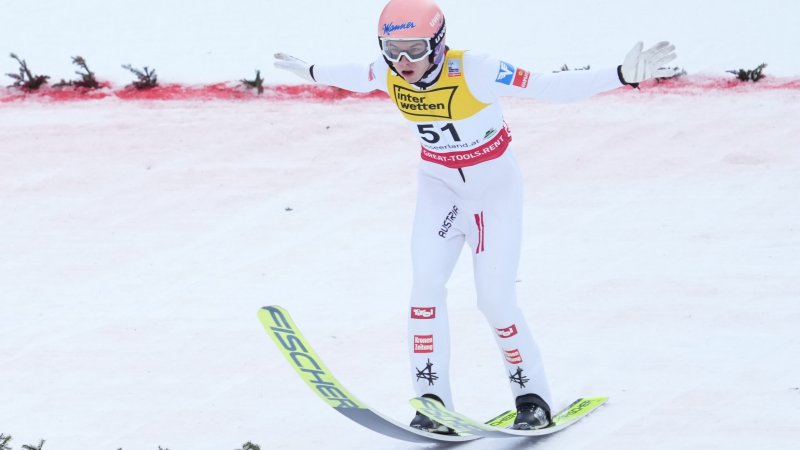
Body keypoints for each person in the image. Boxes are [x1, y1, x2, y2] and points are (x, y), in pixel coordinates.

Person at [274, 0, 677, 433]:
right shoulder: (386, 71)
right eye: (392, 49)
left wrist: (620, 76)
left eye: (413, 48)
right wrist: (312, 71)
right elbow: (352, 75)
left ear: (439, 41)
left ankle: (532, 398)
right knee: (424, 290)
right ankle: (432, 402)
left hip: (492, 191)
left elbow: (547, 86)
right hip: (439, 189)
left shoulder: (476, 69)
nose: (403, 61)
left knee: (495, 300)